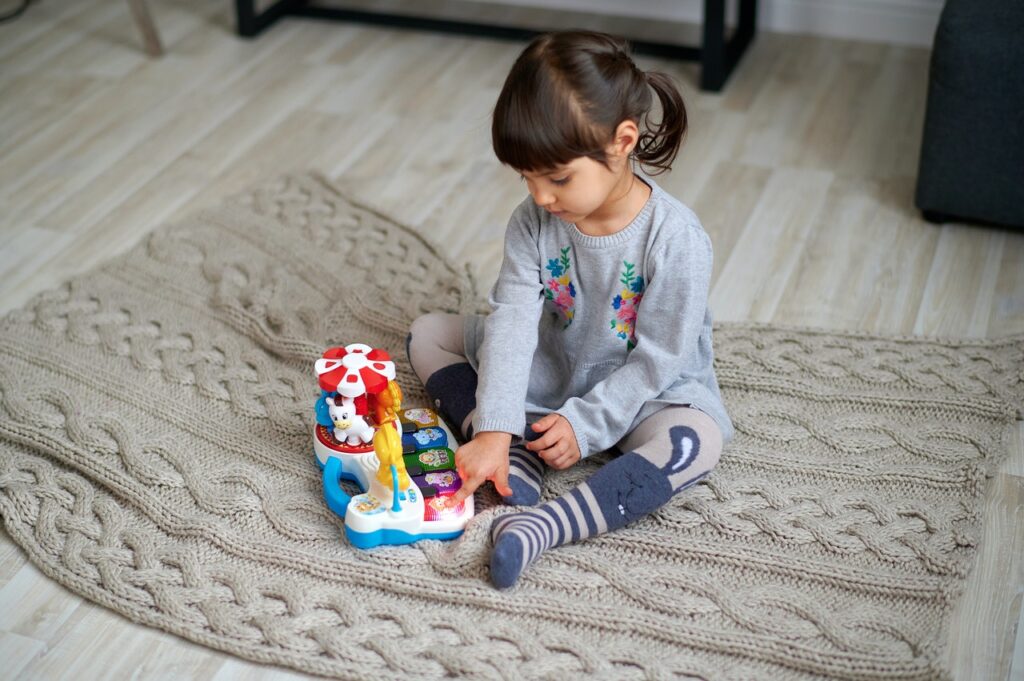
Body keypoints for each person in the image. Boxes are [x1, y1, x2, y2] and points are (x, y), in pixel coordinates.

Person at [407, 30, 733, 589]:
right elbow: (511, 321)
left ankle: (546, 525)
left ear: (622, 141)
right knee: (427, 333)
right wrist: (493, 427)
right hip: (550, 366)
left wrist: (585, 425)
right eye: (526, 177)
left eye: (557, 178)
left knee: (695, 441)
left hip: (641, 394)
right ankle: (515, 459)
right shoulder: (533, 221)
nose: (539, 197)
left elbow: (659, 361)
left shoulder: (677, 240)